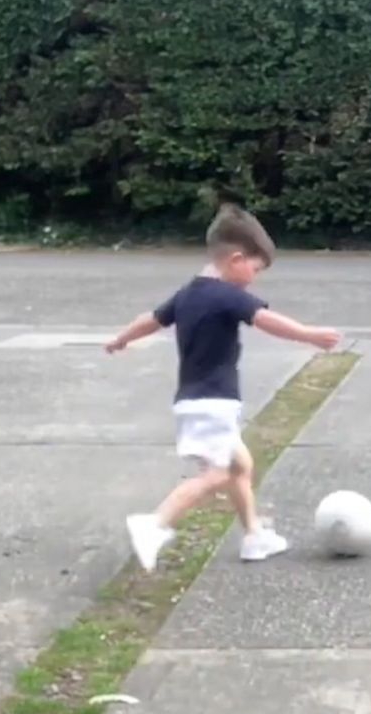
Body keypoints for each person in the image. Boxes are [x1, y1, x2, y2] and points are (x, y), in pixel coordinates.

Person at [104, 204, 342, 570]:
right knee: (216, 475)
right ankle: (154, 523)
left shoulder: (187, 294)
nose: (254, 278)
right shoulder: (226, 295)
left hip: (193, 401)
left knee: (240, 465)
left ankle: (254, 536)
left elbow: (149, 321)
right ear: (235, 259)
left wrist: (120, 339)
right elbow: (266, 320)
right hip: (213, 403)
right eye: (255, 268)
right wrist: (310, 335)